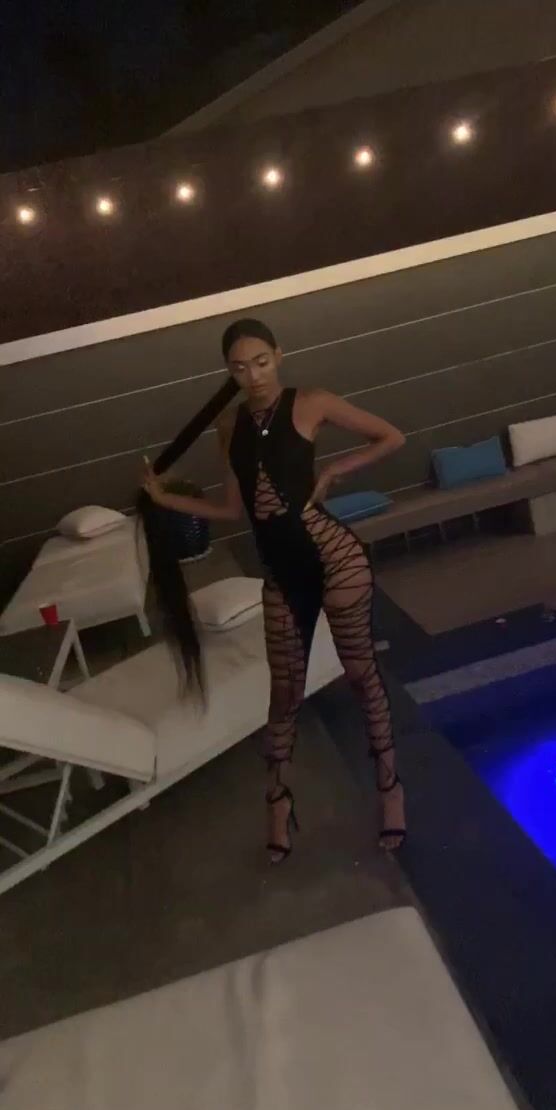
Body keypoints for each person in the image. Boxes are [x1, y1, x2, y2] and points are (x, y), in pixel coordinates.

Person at [143, 319, 407, 863]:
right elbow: (230, 509)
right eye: (240, 368)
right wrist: (164, 498)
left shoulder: (311, 402)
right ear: (229, 371)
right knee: (285, 694)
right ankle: (278, 802)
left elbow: (391, 436)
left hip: (336, 559)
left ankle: (390, 790)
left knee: (361, 675)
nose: (254, 375)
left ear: (279, 355)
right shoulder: (228, 426)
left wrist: (333, 471)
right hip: (281, 573)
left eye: (261, 362)